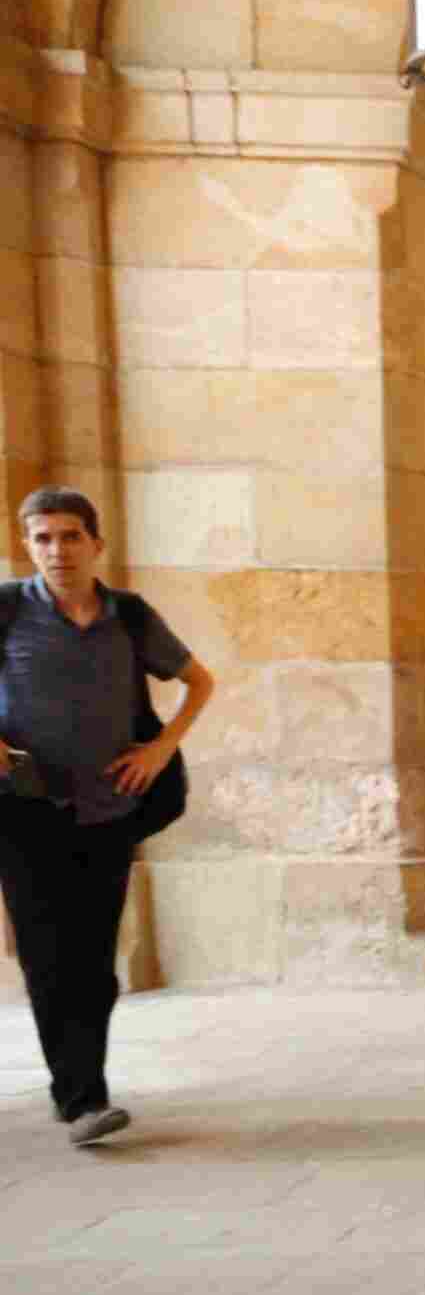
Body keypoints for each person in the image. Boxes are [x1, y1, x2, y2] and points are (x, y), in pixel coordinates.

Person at [1, 486, 215, 1146]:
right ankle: (82, 1100)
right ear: (28, 546)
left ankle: (80, 1082)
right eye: (43, 538)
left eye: (70, 536)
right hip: (24, 810)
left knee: (93, 963)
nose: (57, 550)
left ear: (97, 543)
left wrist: (160, 747)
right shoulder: (7, 610)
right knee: (46, 956)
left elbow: (199, 681)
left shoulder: (129, 615)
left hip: (107, 810)